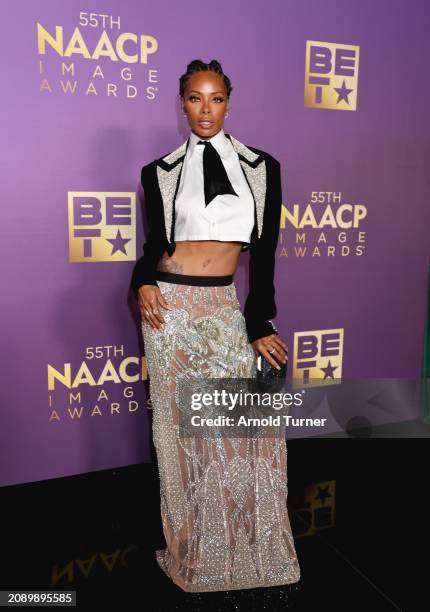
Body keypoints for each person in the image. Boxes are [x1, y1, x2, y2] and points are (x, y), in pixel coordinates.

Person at [131, 59, 301, 593]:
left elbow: (266, 254)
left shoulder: (261, 167)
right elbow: (154, 245)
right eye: (195, 99)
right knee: (182, 436)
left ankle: (250, 552)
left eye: (216, 99)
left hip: (224, 308)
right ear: (182, 104)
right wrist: (141, 283)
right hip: (169, 312)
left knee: (241, 429)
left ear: (230, 102)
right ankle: (193, 555)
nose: (206, 109)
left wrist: (259, 321)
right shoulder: (158, 171)